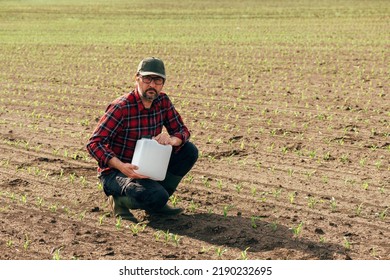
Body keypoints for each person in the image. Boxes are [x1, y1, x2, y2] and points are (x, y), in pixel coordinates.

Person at [86, 57, 198, 221]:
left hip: (147, 167)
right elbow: (94, 143)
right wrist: (121, 166)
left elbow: (182, 130)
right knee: (155, 195)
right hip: (116, 173)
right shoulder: (121, 107)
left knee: (189, 150)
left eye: (158, 80)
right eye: (147, 79)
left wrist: (174, 139)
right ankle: (119, 201)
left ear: (163, 83)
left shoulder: (163, 102)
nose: (152, 85)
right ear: (137, 78)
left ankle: (157, 204)